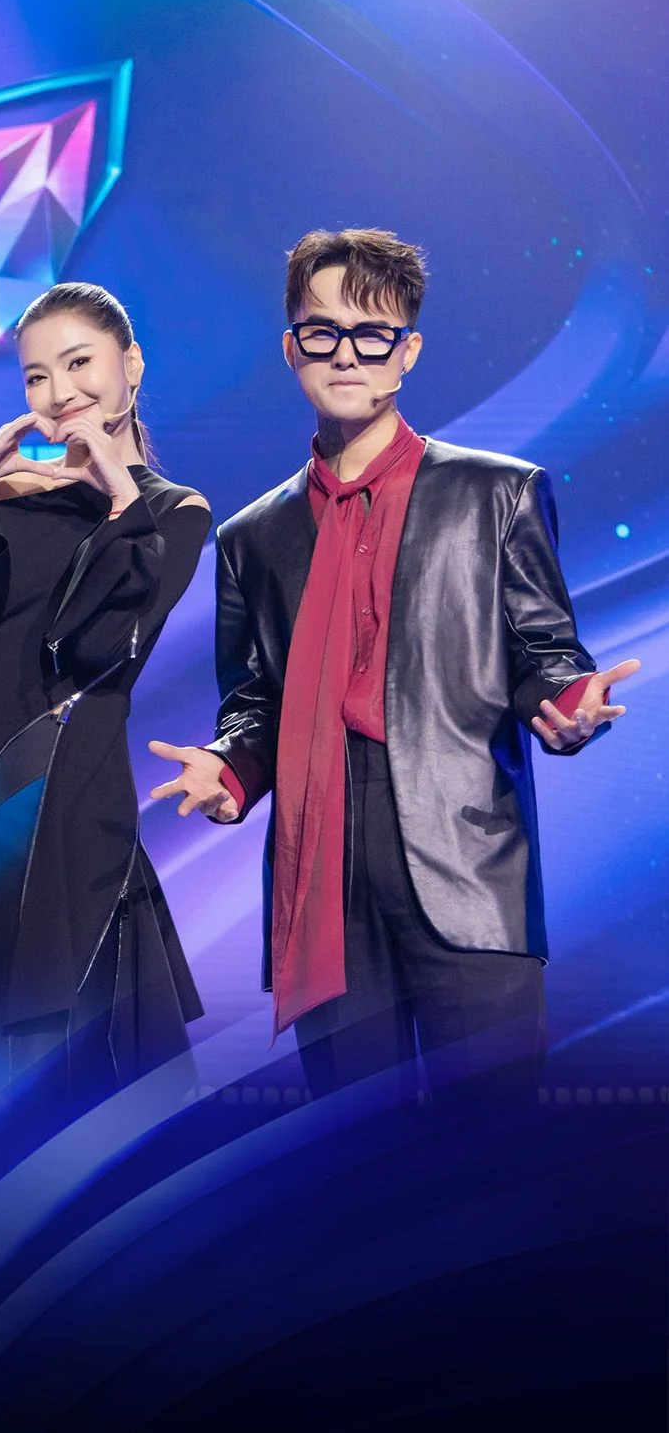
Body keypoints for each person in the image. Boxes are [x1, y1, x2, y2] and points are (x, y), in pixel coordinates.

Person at [150, 228, 640, 1105]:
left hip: (465, 851)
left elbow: (544, 652)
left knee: (486, 1146)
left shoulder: (497, 493)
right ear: (292, 348)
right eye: (322, 332)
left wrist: (569, 705)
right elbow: (255, 700)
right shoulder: (252, 537)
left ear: (407, 352)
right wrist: (231, 769)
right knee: (354, 1150)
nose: (347, 354)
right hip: (321, 868)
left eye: (371, 333)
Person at [0, 283, 210, 1098]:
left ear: (131, 365)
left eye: (78, 363)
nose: (60, 392)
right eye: (36, 376)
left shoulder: (170, 513)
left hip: (67, 806)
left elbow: (96, 648)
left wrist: (120, 497)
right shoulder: (7, 495)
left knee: (75, 1089)